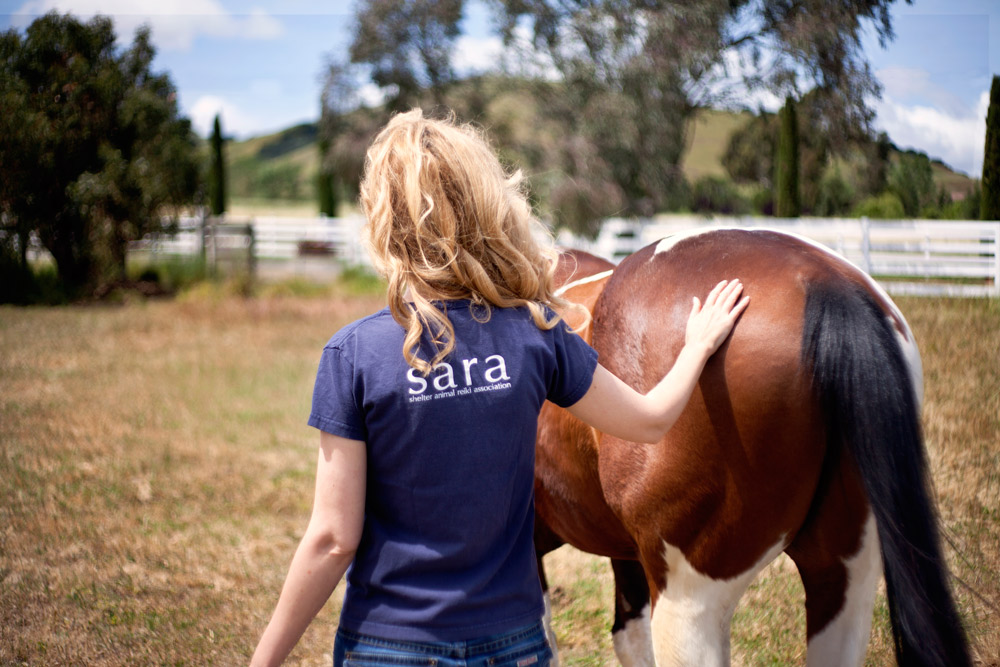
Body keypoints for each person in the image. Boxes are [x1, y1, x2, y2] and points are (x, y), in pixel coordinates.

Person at [250, 109, 749, 667]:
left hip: (389, 644)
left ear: (382, 220)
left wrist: (264, 660)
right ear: (488, 208)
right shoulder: (536, 336)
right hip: (512, 644)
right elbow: (652, 420)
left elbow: (333, 539)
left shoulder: (352, 354)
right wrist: (696, 348)